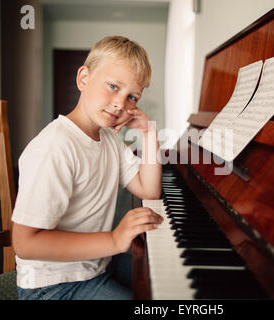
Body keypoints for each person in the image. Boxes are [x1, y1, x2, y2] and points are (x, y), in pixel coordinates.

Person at [11, 36, 163, 300]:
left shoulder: (110, 140)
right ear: (83, 79)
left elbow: (149, 191)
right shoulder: (54, 146)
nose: (120, 103)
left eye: (132, 97)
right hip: (53, 286)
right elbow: (25, 243)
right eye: (113, 86)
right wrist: (116, 239)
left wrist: (149, 134)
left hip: (96, 264)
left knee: (162, 283)